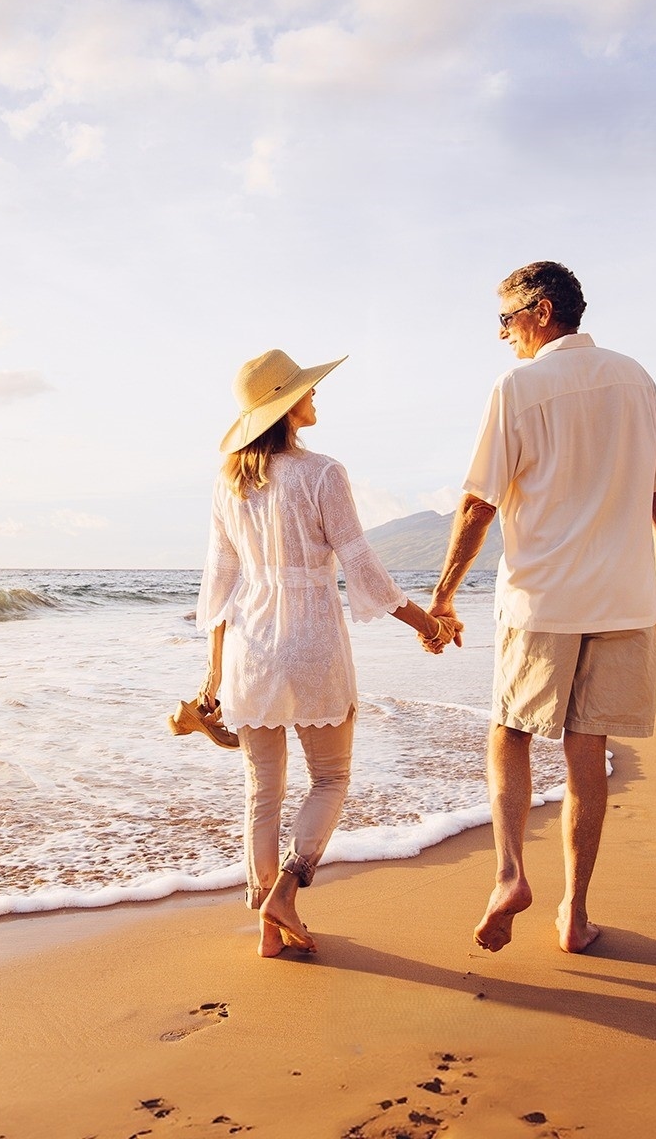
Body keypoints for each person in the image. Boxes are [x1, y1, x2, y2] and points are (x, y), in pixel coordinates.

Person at [425, 261, 656, 955]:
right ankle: (574, 914)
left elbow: (479, 501)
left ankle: (511, 874)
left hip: (542, 599)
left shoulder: (520, 385)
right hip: (624, 598)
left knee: (510, 732)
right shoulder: (635, 377)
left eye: (507, 320)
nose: (503, 335)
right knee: (587, 747)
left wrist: (445, 592)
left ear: (542, 312)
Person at [193, 349, 459, 958]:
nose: (317, 398)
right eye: (308, 392)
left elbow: (219, 584)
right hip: (311, 643)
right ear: (288, 407)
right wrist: (425, 623)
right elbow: (362, 566)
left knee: (262, 792)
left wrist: (213, 672)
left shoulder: (230, 482)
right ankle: (288, 887)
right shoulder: (322, 473)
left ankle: (268, 926)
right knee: (331, 778)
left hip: (250, 649)